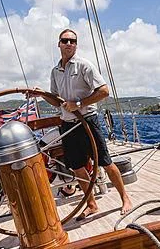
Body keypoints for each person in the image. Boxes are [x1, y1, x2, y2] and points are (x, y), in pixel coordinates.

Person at [43, 28, 133, 218]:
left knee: (106, 162)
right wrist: (41, 95)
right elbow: (55, 99)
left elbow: (104, 91)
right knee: (77, 168)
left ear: (76, 45)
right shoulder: (55, 71)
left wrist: (79, 104)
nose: (69, 44)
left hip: (88, 122)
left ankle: (125, 198)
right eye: (65, 41)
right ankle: (91, 204)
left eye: (72, 41)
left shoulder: (84, 66)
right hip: (68, 125)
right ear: (58, 44)